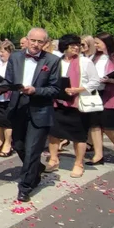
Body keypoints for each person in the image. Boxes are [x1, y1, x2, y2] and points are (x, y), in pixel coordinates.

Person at [3, 28, 63, 202]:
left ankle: (26, 187)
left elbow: (55, 89)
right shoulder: (15, 57)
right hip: (18, 108)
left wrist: (35, 90)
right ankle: (36, 169)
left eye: (40, 42)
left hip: (40, 110)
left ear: (45, 43)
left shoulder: (52, 61)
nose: (36, 44)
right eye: (33, 40)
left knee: (32, 150)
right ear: (27, 40)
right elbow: (9, 81)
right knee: (19, 146)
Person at [46, 34, 100, 178]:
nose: (76, 47)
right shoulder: (58, 62)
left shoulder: (85, 62)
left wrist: (78, 89)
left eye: (78, 45)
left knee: (78, 135)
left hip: (77, 103)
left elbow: (95, 81)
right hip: (58, 102)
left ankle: (78, 163)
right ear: (65, 46)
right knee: (54, 133)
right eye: (72, 45)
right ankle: (53, 159)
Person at [87, 33, 114, 166]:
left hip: (111, 93)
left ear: (107, 42)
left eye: (98, 43)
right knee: (95, 125)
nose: (95, 46)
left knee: (109, 127)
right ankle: (98, 154)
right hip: (95, 93)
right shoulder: (93, 57)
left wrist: (110, 79)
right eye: (94, 43)